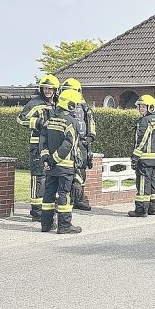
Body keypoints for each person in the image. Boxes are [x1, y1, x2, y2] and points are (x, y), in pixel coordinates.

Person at [39, 88, 82, 234]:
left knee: (48, 194)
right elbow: (68, 145)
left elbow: (42, 140)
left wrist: (46, 159)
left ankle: (46, 224)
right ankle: (64, 226)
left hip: (50, 168)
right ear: (70, 105)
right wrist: (53, 160)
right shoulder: (71, 122)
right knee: (65, 194)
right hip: (65, 166)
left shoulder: (50, 120)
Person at [16, 74, 58, 222]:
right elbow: (21, 119)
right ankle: (36, 210)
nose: (48, 91)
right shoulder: (34, 103)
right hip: (37, 146)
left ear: (55, 90)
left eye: (50, 88)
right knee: (38, 177)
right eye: (45, 88)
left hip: (53, 146)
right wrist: (38, 123)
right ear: (42, 89)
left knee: (53, 177)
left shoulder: (58, 104)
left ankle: (49, 207)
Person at [59, 78, 96, 212]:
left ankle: (79, 199)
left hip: (82, 144)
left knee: (81, 172)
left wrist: (90, 137)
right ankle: (66, 200)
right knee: (66, 172)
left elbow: (91, 122)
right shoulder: (62, 106)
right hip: (67, 143)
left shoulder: (85, 107)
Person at [130, 95, 155, 217]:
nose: (141, 109)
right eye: (140, 106)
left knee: (143, 183)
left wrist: (135, 155)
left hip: (144, 158)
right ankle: (152, 207)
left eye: (143, 106)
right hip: (154, 158)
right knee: (152, 183)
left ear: (150, 107)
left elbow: (142, 139)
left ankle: (141, 209)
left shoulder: (145, 121)